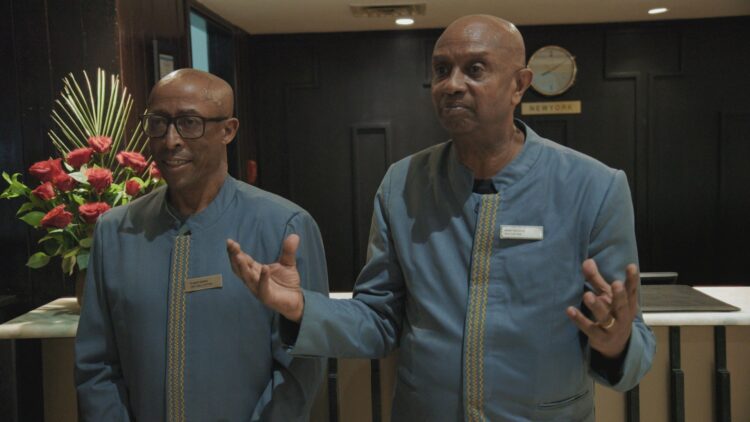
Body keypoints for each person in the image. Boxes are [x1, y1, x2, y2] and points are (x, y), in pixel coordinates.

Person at [227, 15, 655, 421]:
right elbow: (379, 320)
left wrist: (616, 343)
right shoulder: (404, 184)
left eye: (475, 69)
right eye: (441, 70)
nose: (452, 85)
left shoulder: (593, 187)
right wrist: (303, 309)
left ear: (519, 85)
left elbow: (629, 343)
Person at [75, 69, 328, 421]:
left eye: (189, 123)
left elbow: (301, 365)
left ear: (229, 130)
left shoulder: (284, 227)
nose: (170, 140)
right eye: (158, 123)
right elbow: (96, 364)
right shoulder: (116, 231)